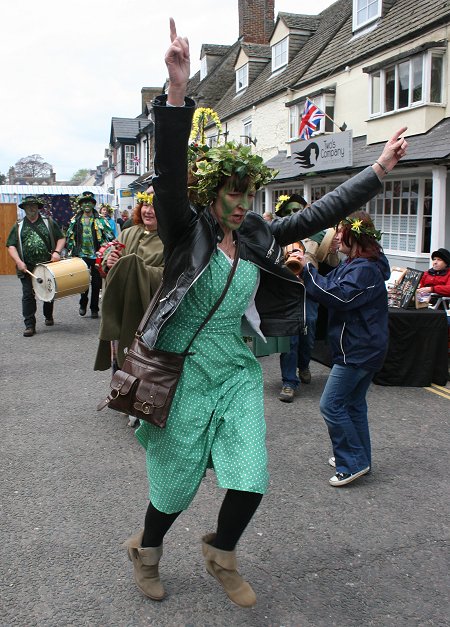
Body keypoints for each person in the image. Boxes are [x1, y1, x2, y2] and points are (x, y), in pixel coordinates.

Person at [122, 17, 408, 607]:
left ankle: (221, 551)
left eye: (246, 196)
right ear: (211, 193)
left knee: (251, 476)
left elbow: (317, 212)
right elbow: (171, 172)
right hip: (182, 369)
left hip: (233, 366)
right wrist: (176, 92)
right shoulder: (185, 229)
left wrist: (377, 171)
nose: (238, 205)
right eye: (230, 195)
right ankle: (146, 550)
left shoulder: (253, 234)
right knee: (174, 484)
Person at [298, 211, 393, 487]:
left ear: (356, 235)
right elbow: (333, 284)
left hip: (358, 350)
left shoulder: (363, 268)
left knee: (331, 405)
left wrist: (307, 271)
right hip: (364, 347)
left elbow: (338, 296)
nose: (336, 236)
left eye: (341, 231)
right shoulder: (361, 262)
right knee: (353, 405)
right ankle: (360, 457)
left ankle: (352, 461)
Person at [94, 188, 164, 426]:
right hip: (122, 309)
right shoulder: (127, 233)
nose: (148, 210)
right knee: (120, 354)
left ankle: (141, 404)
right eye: (145, 205)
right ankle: (122, 396)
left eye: (154, 205)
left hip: (148, 310)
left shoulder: (171, 239)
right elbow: (107, 265)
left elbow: (171, 276)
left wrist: (137, 270)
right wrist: (109, 261)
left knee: (145, 359)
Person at [278, 218, 340, 402]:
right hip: (288, 291)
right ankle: (289, 382)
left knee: (308, 335)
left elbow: (332, 263)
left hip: (310, 291)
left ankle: (303, 365)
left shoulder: (319, 235)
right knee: (290, 340)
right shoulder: (284, 235)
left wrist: (334, 249)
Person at [6, 195, 65, 336]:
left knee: (48, 292)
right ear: (24, 208)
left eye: (34, 206)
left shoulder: (48, 222)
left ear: (38, 208)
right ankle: (29, 325)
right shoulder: (18, 226)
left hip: (47, 266)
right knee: (28, 295)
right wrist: (19, 262)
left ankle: (48, 315)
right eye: (28, 206)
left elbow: (61, 238)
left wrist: (57, 252)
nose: (31, 208)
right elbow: (11, 245)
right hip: (27, 267)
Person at [65, 191, 114, 318]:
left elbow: (110, 237)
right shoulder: (75, 220)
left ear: (93, 204)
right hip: (81, 255)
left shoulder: (101, 220)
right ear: (81, 205)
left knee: (96, 283)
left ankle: (94, 308)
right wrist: (70, 253)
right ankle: (83, 304)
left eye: (89, 202)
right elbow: (70, 238)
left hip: (97, 256)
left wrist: (106, 251)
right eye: (84, 202)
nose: (87, 204)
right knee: (83, 281)